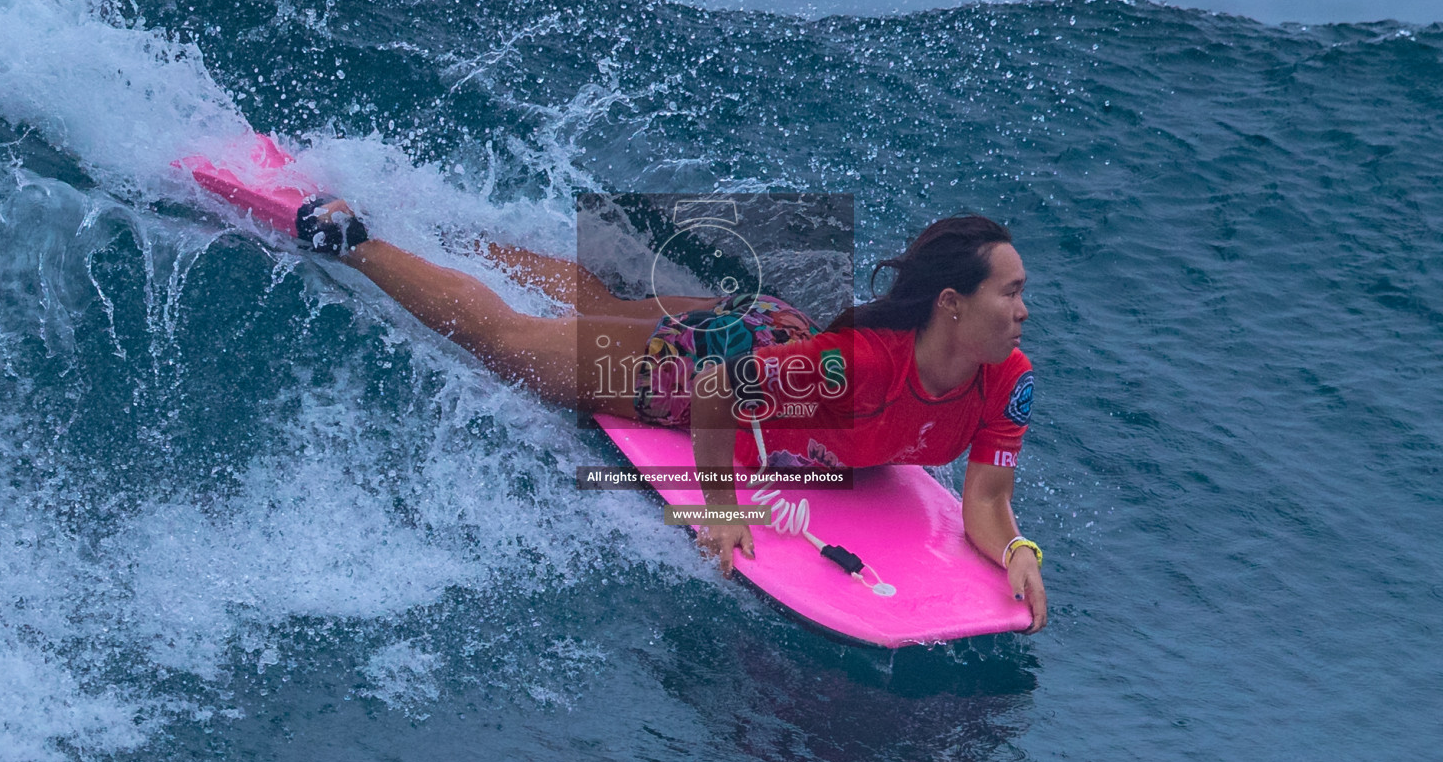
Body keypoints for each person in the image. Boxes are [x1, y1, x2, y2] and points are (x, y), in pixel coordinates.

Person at [299, 200, 1048, 632]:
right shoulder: (856, 368)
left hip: (777, 340)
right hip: (702, 369)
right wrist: (721, 506)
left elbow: (985, 498)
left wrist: (1016, 550)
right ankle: (354, 239)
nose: (1023, 310)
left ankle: (450, 236)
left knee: (608, 310)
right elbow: (719, 393)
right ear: (952, 305)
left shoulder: (1006, 379)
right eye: (1008, 293)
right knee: (514, 345)